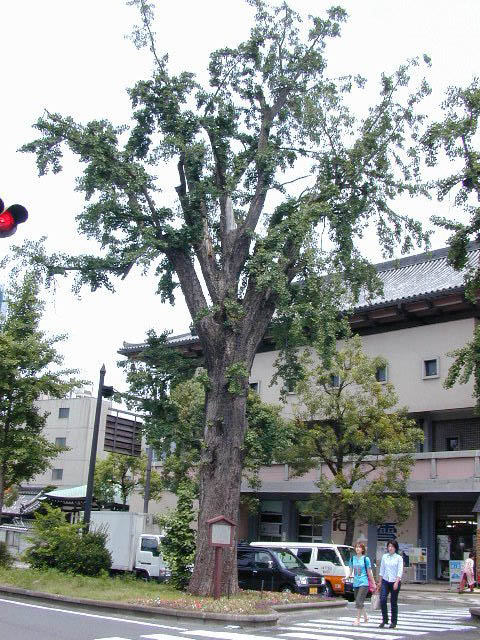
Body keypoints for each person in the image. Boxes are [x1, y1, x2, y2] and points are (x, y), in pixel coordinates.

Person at [347, 541, 376, 625]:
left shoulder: (365, 559)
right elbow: (350, 571)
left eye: (359, 547)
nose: (357, 549)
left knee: (359, 601)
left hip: (364, 582)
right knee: (358, 602)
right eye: (356, 547)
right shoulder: (352, 559)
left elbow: (369, 572)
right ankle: (366, 617)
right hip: (356, 583)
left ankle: (357, 620)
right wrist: (346, 577)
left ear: (363, 549)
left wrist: (373, 583)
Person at [378, 539, 403, 629]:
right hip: (385, 580)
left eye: (392, 546)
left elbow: (399, 571)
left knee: (393, 602)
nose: (390, 548)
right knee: (382, 599)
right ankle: (385, 619)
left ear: (395, 548)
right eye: (389, 546)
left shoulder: (399, 558)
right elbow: (382, 570)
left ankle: (394, 621)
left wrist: (396, 582)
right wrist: (380, 582)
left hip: (394, 581)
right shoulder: (385, 557)